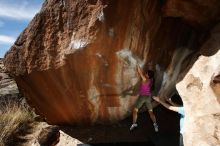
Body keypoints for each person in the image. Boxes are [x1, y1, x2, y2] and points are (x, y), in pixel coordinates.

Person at [130, 65, 159, 132]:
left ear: (148, 75)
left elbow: (140, 72)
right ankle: (155, 124)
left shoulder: (145, 79)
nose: (145, 73)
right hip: (148, 97)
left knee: (135, 110)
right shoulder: (151, 80)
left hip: (142, 97)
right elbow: (144, 74)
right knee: (151, 112)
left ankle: (134, 123)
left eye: (146, 73)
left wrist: (137, 65)